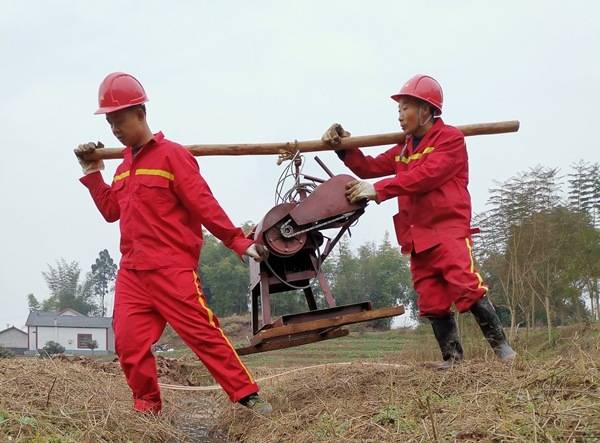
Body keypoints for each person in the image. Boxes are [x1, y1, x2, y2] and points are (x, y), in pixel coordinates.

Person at [75, 72, 272, 413]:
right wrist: (93, 172)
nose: (115, 130)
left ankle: (247, 396)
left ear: (140, 114)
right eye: (110, 124)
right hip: (133, 273)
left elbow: (203, 203)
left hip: (171, 269)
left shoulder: (172, 157)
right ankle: (148, 407)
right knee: (128, 343)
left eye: (119, 120)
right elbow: (111, 211)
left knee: (202, 334)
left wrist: (237, 241)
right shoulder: (123, 168)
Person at [322, 74, 516, 368]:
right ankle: (453, 360)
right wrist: (344, 147)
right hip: (417, 237)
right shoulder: (404, 148)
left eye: (405, 108)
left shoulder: (450, 139)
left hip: (448, 229)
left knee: (466, 285)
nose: (400, 117)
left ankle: (505, 352)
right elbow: (369, 166)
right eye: (398, 110)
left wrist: (380, 190)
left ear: (425, 110)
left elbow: (425, 177)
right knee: (431, 298)